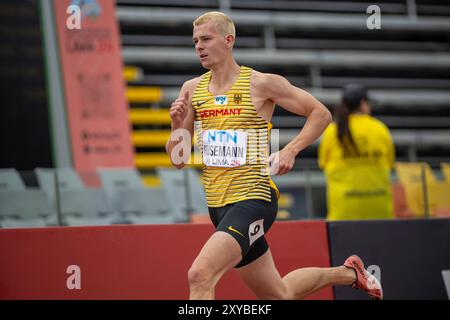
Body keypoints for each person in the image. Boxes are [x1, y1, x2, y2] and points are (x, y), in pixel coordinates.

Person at [166, 11, 382, 300]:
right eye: (195, 41)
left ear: (229, 40)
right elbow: (178, 159)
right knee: (279, 294)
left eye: (206, 39)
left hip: (254, 198)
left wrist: (290, 150)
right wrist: (176, 124)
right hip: (218, 205)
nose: (199, 47)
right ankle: (349, 273)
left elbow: (320, 113)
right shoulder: (192, 90)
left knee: (200, 274)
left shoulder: (261, 83)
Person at [318, 84, 395, 221]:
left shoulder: (332, 131)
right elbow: (389, 163)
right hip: (380, 212)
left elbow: (323, 164)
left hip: (343, 214)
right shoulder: (380, 129)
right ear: (363, 104)